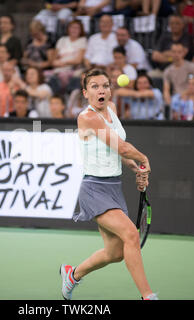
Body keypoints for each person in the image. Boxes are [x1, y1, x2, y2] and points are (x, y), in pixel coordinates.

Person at [60, 68, 157, 301]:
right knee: (131, 236)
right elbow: (122, 147)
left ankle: (72, 275)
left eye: (105, 85)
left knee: (115, 253)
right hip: (94, 189)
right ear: (85, 93)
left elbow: (115, 150)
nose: (101, 90)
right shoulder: (87, 117)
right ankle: (148, 296)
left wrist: (133, 167)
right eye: (95, 86)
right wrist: (142, 158)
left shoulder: (112, 110)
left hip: (113, 187)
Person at [47, 19, 87, 94]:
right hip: (59, 68)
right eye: (72, 27)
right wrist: (58, 63)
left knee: (64, 76)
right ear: (68, 29)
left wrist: (64, 62)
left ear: (81, 30)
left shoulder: (82, 40)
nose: (74, 30)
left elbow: (78, 60)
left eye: (77, 28)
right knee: (46, 76)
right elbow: (53, 61)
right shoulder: (62, 40)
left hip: (73, 69)